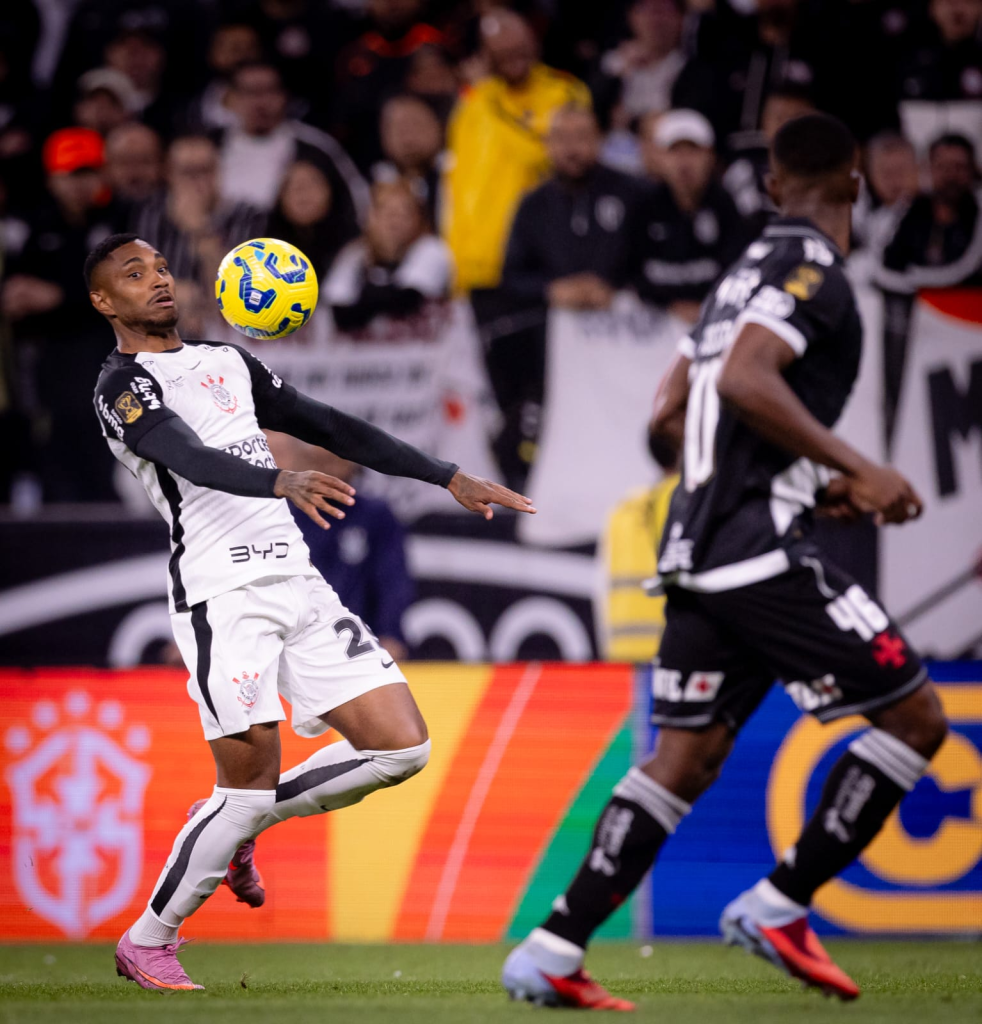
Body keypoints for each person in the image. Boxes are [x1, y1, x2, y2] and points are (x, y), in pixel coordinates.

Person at [502, 113, 947, 1009]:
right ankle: (781, 905)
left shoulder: (732, 281)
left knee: (686, 758)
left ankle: (550, 949)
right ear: (856, 184)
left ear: (772, 186)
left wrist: (783, 477)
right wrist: (857, 468)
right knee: (918, 723)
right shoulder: (814, 273)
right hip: (759, 553)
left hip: (697, 551)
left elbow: (669, 421)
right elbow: (747, 381)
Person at [87, 232, 535, 991]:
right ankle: (148, 939)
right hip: (221, 596)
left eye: (161, 267)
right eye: (134, 275)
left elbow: (332, 425)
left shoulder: (227, 361)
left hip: (298, 583)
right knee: (246, 784)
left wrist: (446, 473)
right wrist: (277, 482)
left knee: (402, 749)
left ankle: (240, 827)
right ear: (104, 302)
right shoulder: (121, 386)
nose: (157, 281)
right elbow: (186, 458)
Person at [442, 8, 591, 293]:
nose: (513, 60)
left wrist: (487, 99)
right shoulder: (471, 105)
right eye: (502, 53)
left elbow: (555, 156)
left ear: (534, 43)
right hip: (474, 265)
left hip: (538, 262)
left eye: (519, 49)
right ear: (485, 55)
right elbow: (458, 182)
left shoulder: (565, 92)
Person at [501, 105, 649, 311]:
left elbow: (654, 262)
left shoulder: (633, 193)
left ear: (599, 140)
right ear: (548, 144)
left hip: (630, 324)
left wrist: (618, 289)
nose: (572, 149)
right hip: (554, 329)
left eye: (581, 137)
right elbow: (512, 277)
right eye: (561, 138)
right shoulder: (532, 204)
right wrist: (552, 289)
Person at [218, 61, 368, 229]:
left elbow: (358, 204)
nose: (259, 102)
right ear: (231, 97)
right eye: (250, 92)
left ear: (284, 95)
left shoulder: (316, 148)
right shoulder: (211, 145)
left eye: (268, 91)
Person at [637, 109, 753, 324]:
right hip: (653, 331)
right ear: (660, 158)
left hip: (717, 320)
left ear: (710, 156)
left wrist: (707, 305)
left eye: (693, 151)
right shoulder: (643, 206)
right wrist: (670, 305)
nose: (684, 162)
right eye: (675, 151)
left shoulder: (727, 206)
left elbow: (740, 269)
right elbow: (630, 272)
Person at [327, 179, 452, 333]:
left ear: (419, 219)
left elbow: (405, 301)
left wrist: (365, 303)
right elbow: (336, 311)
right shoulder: (354, 255)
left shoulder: (432, 249)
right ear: (370, 217)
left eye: (404, 213)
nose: (394, 220)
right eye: (386, 211)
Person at [266, 159, 356, 281]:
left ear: (331, 190)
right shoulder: (263, 254)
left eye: (313, 182)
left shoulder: (356, 251)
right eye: (291, 184)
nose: (302, 191)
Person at [374, 94, 445, 228]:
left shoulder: (463, 176)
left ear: (439, 127)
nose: (407, 135)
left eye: (415, 123)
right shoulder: (370, 192)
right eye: (396, 127)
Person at [103, 123, 164, 207]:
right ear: (107, 168)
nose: (135, 172)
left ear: (161, 165)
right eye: (124, 163)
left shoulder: (176, 215)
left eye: (144, 162)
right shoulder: (93, 210)